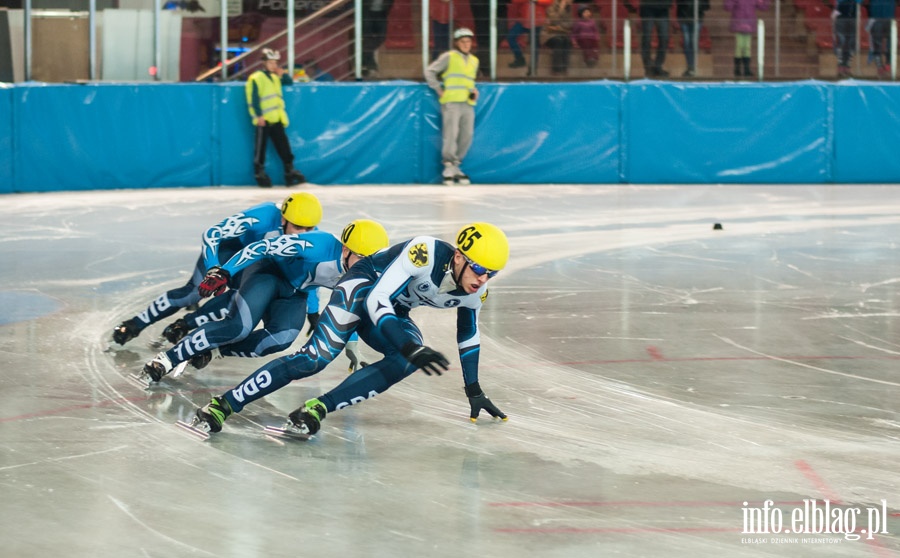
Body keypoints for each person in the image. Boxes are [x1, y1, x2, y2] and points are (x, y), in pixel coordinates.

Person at [187, 222, 511, 437]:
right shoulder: (424, 252)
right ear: (458, 257)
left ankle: (317, 407)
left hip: (390, 307)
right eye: (479, 269)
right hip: (363, 288)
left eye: (491, 274)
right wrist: (407, 344)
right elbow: (378, 298)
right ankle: (224, 404)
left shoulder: (476, 293)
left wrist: (474, 390)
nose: (482, 279)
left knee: (405, 360)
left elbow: (468, 336)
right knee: (315, 358)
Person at [139, 219, 390, 383]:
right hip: (268, 273)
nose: (368, 268)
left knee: (281, 340)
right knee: (238, 327)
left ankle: (213, 349)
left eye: (374, 261)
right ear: (345, 250)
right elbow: (260, 247)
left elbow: (350, 307)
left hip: (294, 292)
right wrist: (225, 272)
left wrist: (352, 345)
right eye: (362, 258)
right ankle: (167, 359)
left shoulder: (361, 273)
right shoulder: (317, 245)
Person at [111, 193, 323, 347]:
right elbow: (213, 233)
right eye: (297, 227)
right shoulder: (265, 215)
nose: (302, 233)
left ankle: (184, 325)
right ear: (283, 219)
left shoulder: (313, 240)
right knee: (192, 292)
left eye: (309, 229)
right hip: (229, 251)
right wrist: (214, 268)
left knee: (243, 299)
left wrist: (313, 312)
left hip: (255, 265)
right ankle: (134, 324)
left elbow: (307, 276)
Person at [425, 28, 480, 186]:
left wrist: (474, 91)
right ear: (457, 43)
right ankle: (448, 166)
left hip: (467, 103)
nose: (466, 44)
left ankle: (456, 165)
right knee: (451, 134)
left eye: (468, 41)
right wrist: (438, 89)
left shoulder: (474, 60)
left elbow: (469, 80)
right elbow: (430, 71)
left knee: (467, 135)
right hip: (452, 102)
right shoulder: (449, 57)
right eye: (463, 41)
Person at [246, 48, 306, 187]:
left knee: (284, 146)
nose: (274, 65)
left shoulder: (275, 77)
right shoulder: (256, 78)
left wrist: (283, 74)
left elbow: (288, 82)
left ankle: (289, 170)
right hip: (264, 119)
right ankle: (259, 172)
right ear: (264, 63)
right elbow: (253, 98)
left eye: (275, 63)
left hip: (277, 118)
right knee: (260, 148)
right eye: (270, 63)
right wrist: (258, 115)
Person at [624, 0, 674, 77]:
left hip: (663, 9)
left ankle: (658, 66)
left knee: (664, 38)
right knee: (646, 38)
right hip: (647, 7)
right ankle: (648, 67)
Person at [723, 0, 768, 77]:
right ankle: (743, 69)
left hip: (740, 22)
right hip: (746, 23)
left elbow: (727, 6)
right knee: (742, 46)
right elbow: (728, 6)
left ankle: (740, 69)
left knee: (742, 46)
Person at [507, 0, 553, 71]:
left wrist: (537, 1)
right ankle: (519, 59)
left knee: (534, 45)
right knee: (511, 37)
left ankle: (533, 68)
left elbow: (549, 1)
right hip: (523, 20)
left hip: (537, 21)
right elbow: (514, 1)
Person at [361, 0, 397, 76]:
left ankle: (364, 55)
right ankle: (371, 65)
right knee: (368, 38)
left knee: (382, 37)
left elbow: (390, 3)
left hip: (382, 14)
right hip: (367, 13)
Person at [676, 0, 709, 77]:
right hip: (684, 18)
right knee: (687, 42)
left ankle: (693, 66)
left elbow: (706, 5)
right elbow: (678, 3)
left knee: (694, 41)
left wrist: (698, 7)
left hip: (697, 18)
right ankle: (690, 66)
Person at [543, 0, 575, 74]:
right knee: (559, 41)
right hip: (549, 35)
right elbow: (553, 20)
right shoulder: (551, 6)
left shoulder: (569, 8)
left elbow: (570, 23)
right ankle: (556, 69)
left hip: (563, 33)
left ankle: (564, 68)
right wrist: (561, 8)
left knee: (567, 41)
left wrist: (559, 27)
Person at [866, 0, 895, 77]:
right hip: (878, 18)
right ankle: (881, 67)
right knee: (877, 44)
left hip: (888, 17)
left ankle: (887, 64)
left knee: (889, 43)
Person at [831, 0, 861, 77]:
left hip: (853, 17)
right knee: (842, 41)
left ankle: (847, 65)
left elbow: (859, 1)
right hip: (841, 17)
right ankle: (841, 64)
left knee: (851, 42)